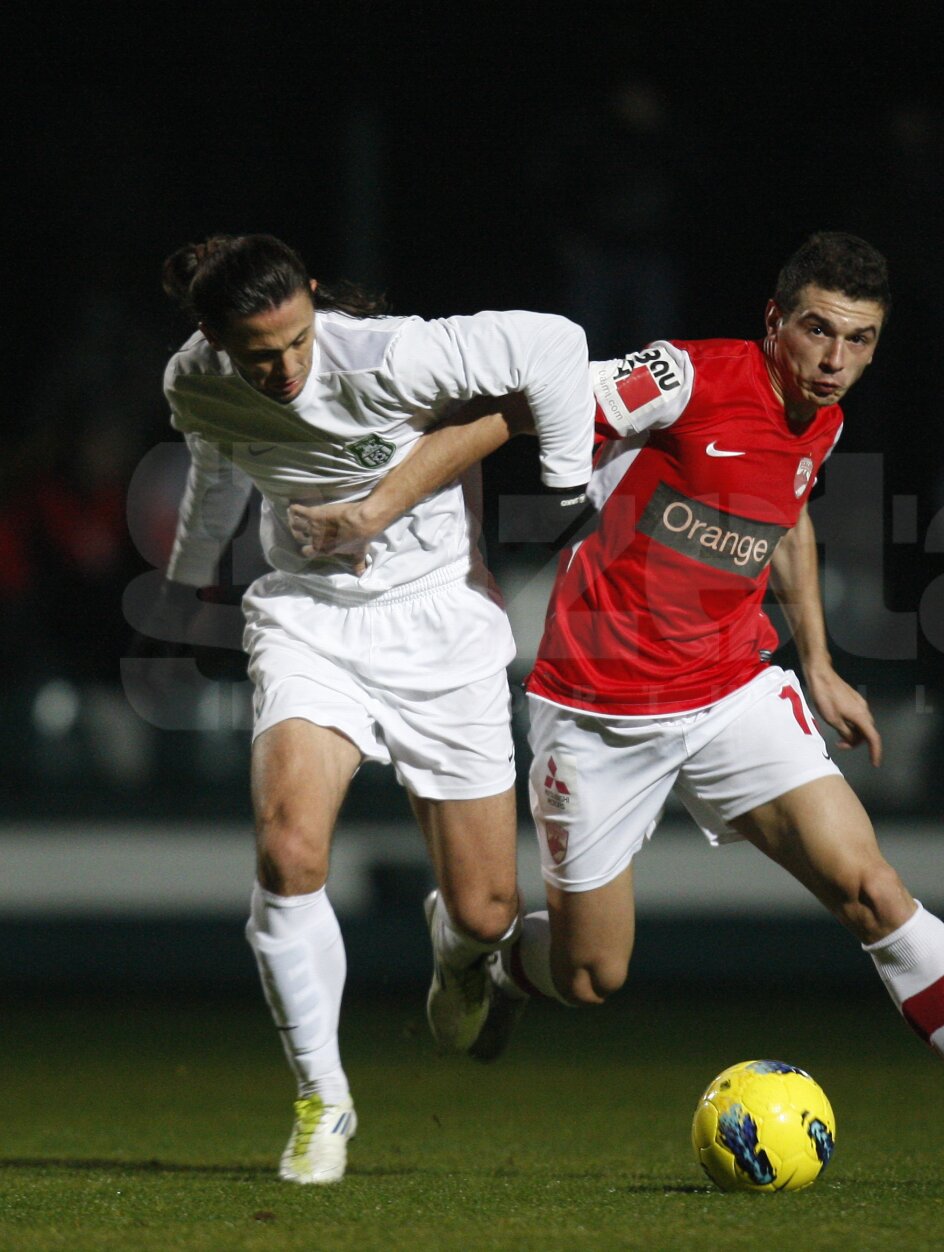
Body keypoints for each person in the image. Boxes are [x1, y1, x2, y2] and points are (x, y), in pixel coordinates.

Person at [441, 231, 944, 1186]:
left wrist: (820, 662)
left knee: (875, 890)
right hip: (597, 704)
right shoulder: (683, 378)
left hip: (732, 689)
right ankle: (494, 956)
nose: (836, 360)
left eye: (861, 339)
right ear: (775, 321)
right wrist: (395, 513)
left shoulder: (822, 419)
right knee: (594, 976)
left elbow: (786, 508)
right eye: (817, 331)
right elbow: (523, 410)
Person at [151, 233, 595, 1184]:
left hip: (441, 623)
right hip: (310, 618)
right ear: (214, 340)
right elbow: (222, 463)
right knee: (287, 849)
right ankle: (323, 1101)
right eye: (259, 354)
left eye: (299, 340)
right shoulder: (194, 382)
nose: (286, 368)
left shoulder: (392, 352)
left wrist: (565, 483)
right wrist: (185, 582)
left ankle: (459, 951)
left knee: (487, 911)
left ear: (316, 301)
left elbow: (556, 347)